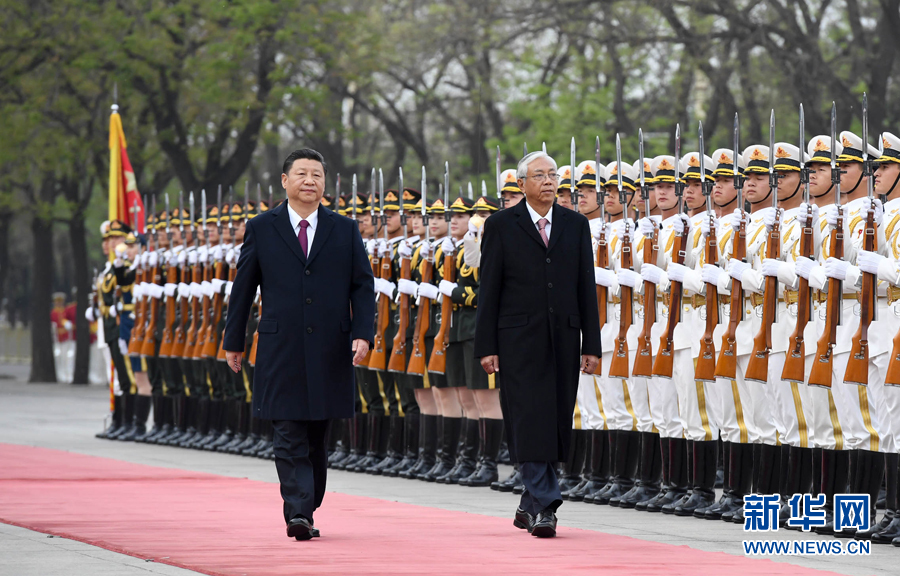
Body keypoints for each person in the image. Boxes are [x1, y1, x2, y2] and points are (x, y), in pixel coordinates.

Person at [223, 148, 375, 542]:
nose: (310, 181)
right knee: (287, 428)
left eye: (318, 175)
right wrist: (233, 341)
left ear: (326, 184)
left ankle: (308, 501)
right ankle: (298, 511)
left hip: (330, 344)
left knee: (317, 436)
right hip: (281, 345)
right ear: (285, 181)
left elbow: (362, 285)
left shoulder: (344, 229)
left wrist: (363, 333)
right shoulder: (261, 227)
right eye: (302, 174)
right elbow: (243, 289)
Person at [474, 150, 601, 538]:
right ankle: (546, 504)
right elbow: (489, 290)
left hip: (564, 335)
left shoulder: (575, 225)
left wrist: (591, 345)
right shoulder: (500, 225)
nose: (548, 181)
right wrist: (486, 345)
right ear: (522, 183)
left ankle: (529, 502)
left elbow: (585, 286)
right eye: (540, 175)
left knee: (556, 417)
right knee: (528, 417)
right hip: (517, 340)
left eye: (553, 175)